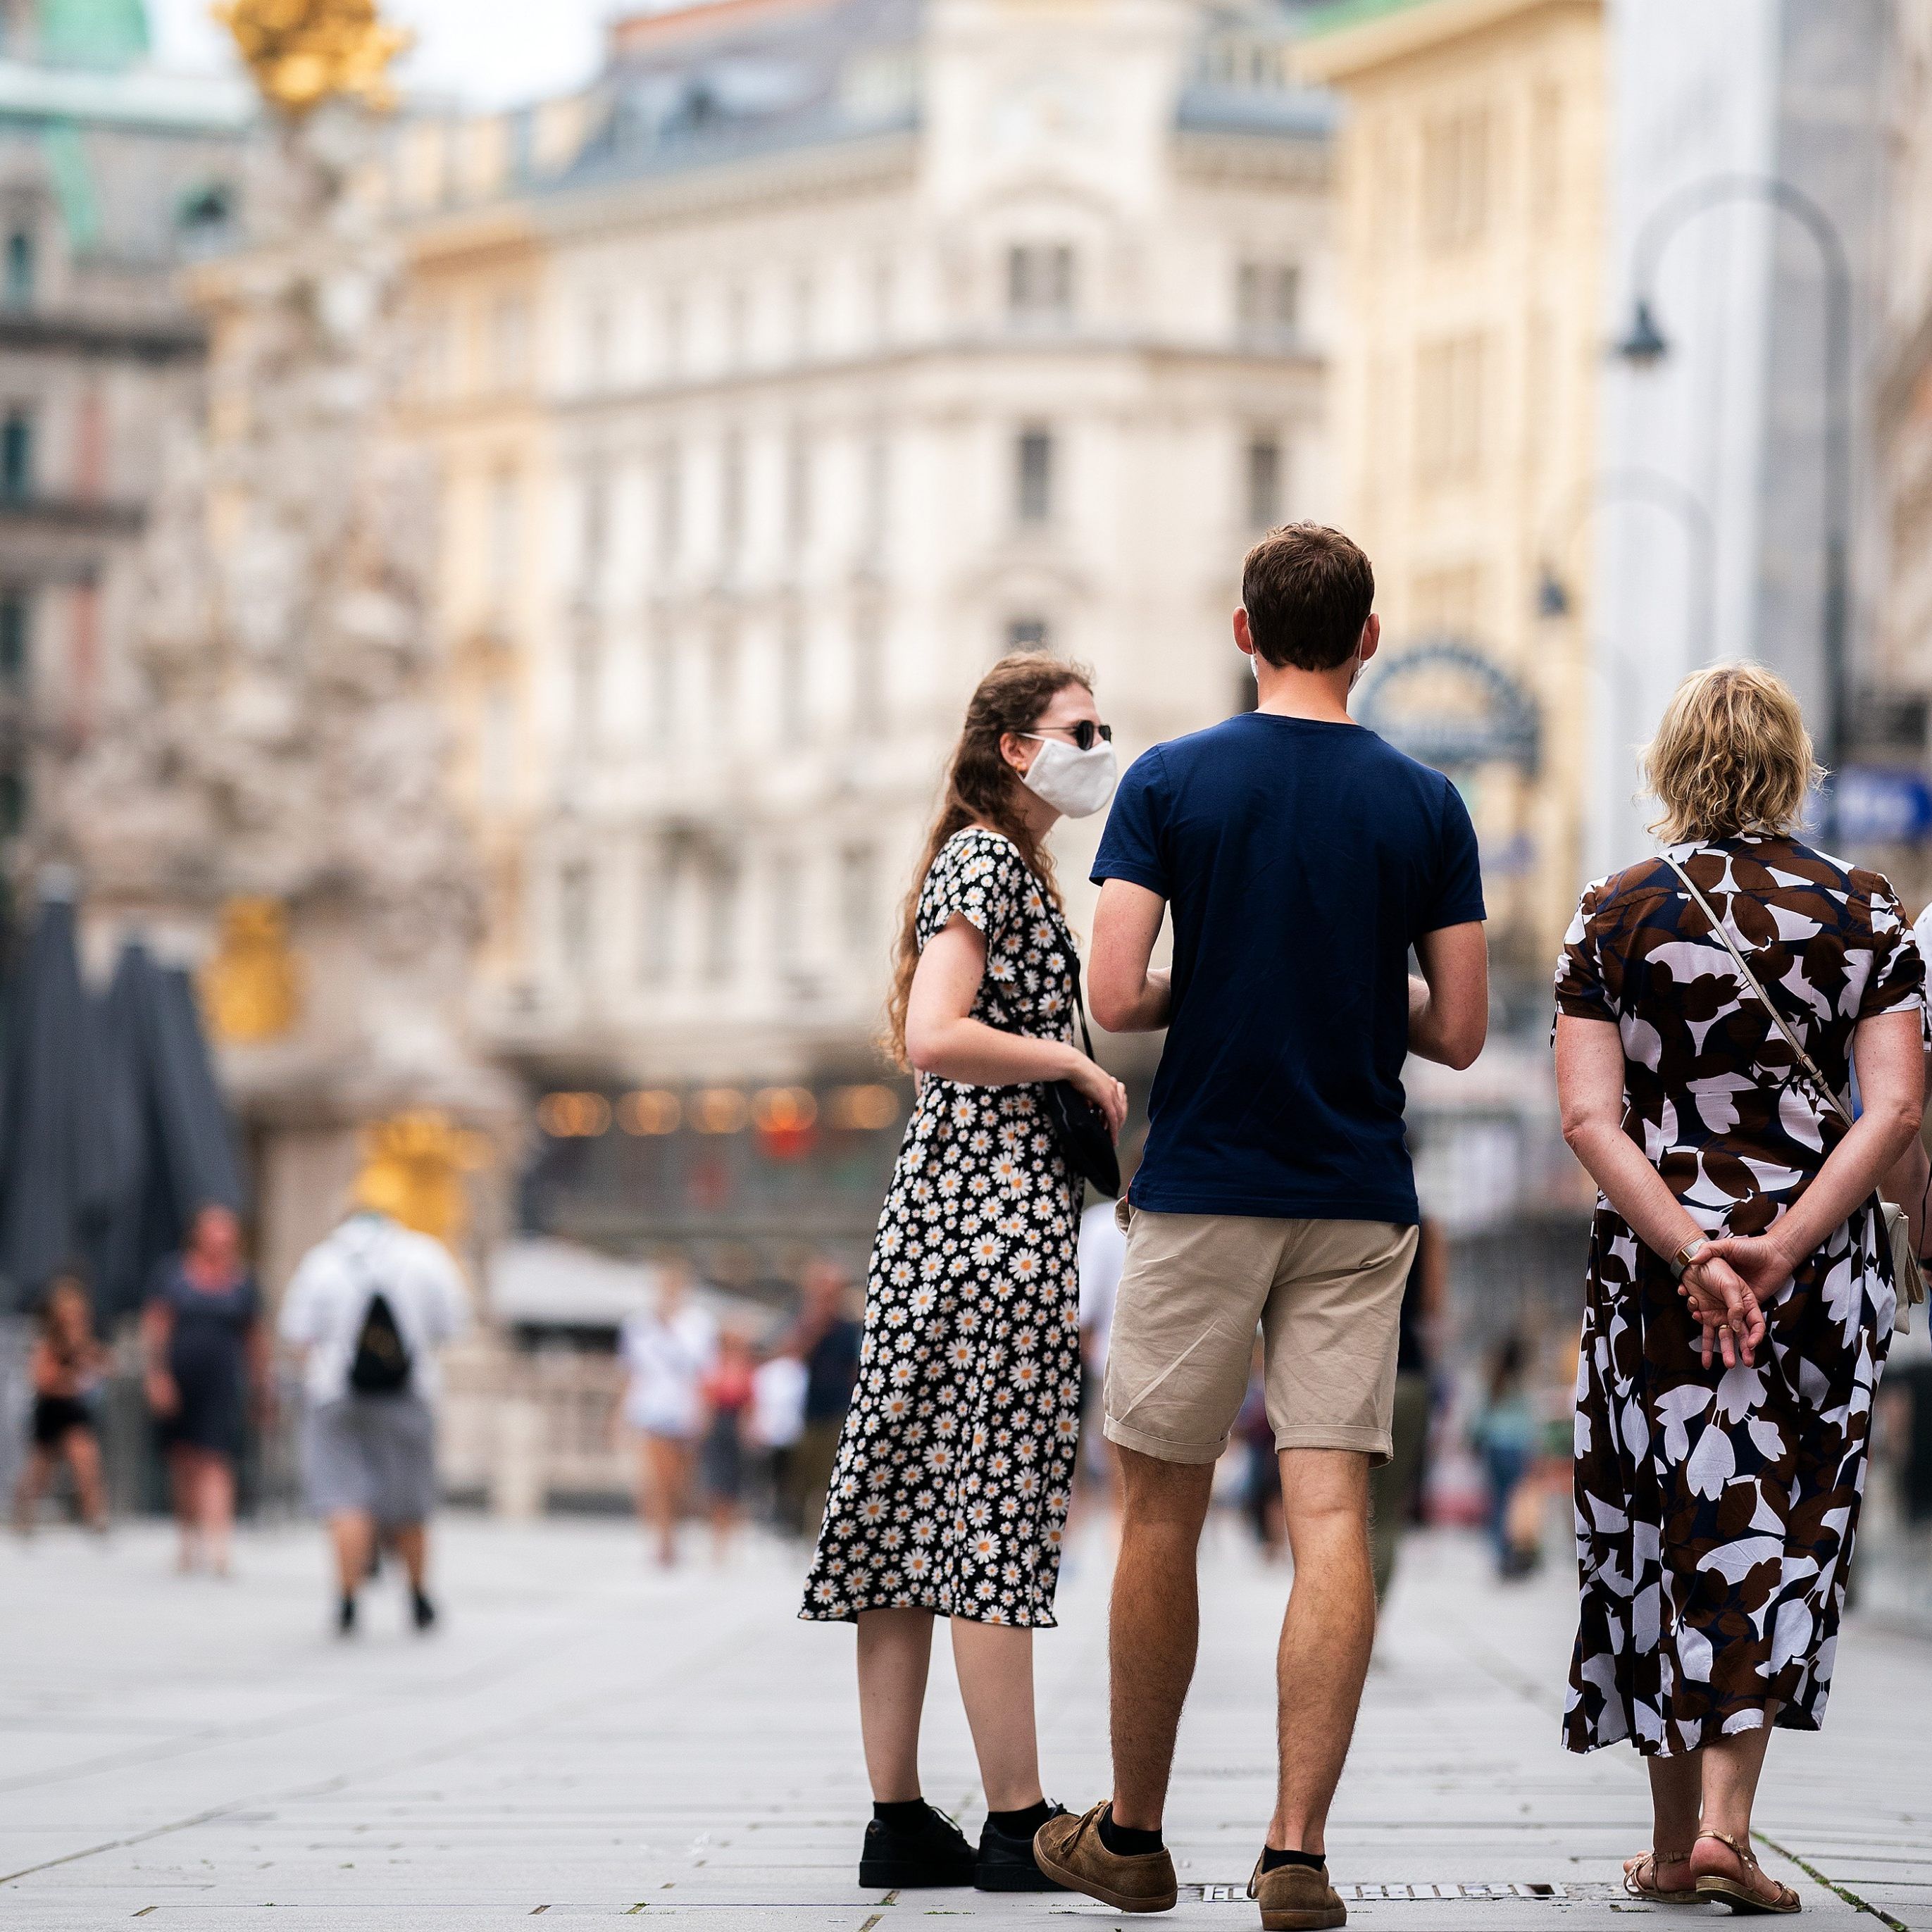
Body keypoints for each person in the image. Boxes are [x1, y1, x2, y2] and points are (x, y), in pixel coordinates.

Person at [1035, 524, 1488, 1931]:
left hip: (1205, 1182)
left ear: (1245, 633)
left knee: (1158, 1503)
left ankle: (1134, 1836)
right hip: (1355, 1196)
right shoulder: (1426, 801)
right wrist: (1361, 999)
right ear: (1368, 638)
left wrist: (1216, 980)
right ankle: (1295, 1856)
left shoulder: (1170, 779)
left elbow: (1116, 993)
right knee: (1331, 1508)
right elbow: (1463, 1033)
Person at [1554, 663, 1926, 1915]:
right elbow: (1894, 1108)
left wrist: (1692, 1250)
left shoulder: (1610, 911)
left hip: (1652, 1281)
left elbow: (1586, 1116)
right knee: (1768, 1525)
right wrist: (1776, 1245)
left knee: (1660, 1528)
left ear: (1666, 766)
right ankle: (1720, 1831)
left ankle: (1674, 1845)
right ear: (1793, 764)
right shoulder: (1863, 908)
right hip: (1814, 1279)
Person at [799, 653, 1128, 1894]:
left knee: (903, 1518)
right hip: (992, 1230)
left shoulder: (989, 862)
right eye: (1078, 726)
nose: (1100, 741)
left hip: (933, 1231)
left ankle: (898, 1816)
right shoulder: (991, 860)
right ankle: (1015, 1820)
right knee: (991, 1509)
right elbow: (938, 1032)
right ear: (1013, 747)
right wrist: (1071, 1064)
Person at [280, 1188, 470, 1635]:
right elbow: (453, 1324)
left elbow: (297, 1331)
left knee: (344, 1497)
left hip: (336, 1395)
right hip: (409, 1393)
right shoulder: (425, 1256)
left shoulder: (322, 1260)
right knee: (409, 1501)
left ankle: (347, 1599)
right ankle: (419, 1595)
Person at [142, 1204, 266, 1578]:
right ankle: (187, 1538)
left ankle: (218, 1546)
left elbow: (256, 1338)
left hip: (222, 1385)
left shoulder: (243, 1282)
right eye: (214, 1231)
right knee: (184, 1460)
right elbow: (157, 1327)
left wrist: (261, 1386)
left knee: (216, 1460)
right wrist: (158, 1376)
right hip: (180, 1380)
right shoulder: (174, 1275)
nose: (221, 1239)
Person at [619, 1266, 718, 1566]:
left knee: (680, 1482)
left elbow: (704, 1373)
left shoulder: (698, 1324)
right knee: (658, 1479)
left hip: (685, 1410)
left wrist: (704, 1411)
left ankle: (673, 1532)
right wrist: (620, 1413)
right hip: (651, 1409)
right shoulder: (638, 1324)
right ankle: (663, 1540)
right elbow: (630, 1371)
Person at [1369, 1216, 1442, 1602]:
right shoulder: (1425, 1226)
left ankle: (1341, 1618)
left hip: (1356, 1368)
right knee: (1387, 1510)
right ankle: (1372, 1620)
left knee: (1342, 1505)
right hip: (1407, 1374)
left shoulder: (1352, 1204)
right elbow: (1432, 1305)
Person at [12, 1272, 110, 1535]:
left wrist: (90, 1364)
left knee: (87, 1461)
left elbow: (104, 1366)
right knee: (41, 1470)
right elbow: (42, 1379)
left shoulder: (85, 1340)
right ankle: (23, 1511)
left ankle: (95, 1515)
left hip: (74, 1409)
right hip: (51, 1409)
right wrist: (70, 1378)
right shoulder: (48, 1342)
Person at [785, 1259, 861, 1534]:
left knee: (829, 1477)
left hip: (838, 1410)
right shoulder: (805, 1321)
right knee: (803, 1477)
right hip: (810, 1410)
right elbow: (792, 1354)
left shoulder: (849, 1325)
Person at [1470, 1333, 1539, 1580]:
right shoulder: (1522, 1382)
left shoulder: (1495, 1379)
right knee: (1514, 1503)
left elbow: (1481, 1413)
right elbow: (1530, 1419)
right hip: (1516, 1448)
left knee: (1497, 1503)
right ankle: (1512, 1555)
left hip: (1494, 1447)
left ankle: (1500, 1555)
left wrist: (1474, 1439)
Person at [698, 1325, 756, 1562]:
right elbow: (705, 1396)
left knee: (735, 1484)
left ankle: (730, 1534)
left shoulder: (746, 1368)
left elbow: (751, 1400)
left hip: (735, 1424)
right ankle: (717, 1534)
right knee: (716, 1483)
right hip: (718, 1424)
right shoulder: (715, 1367)